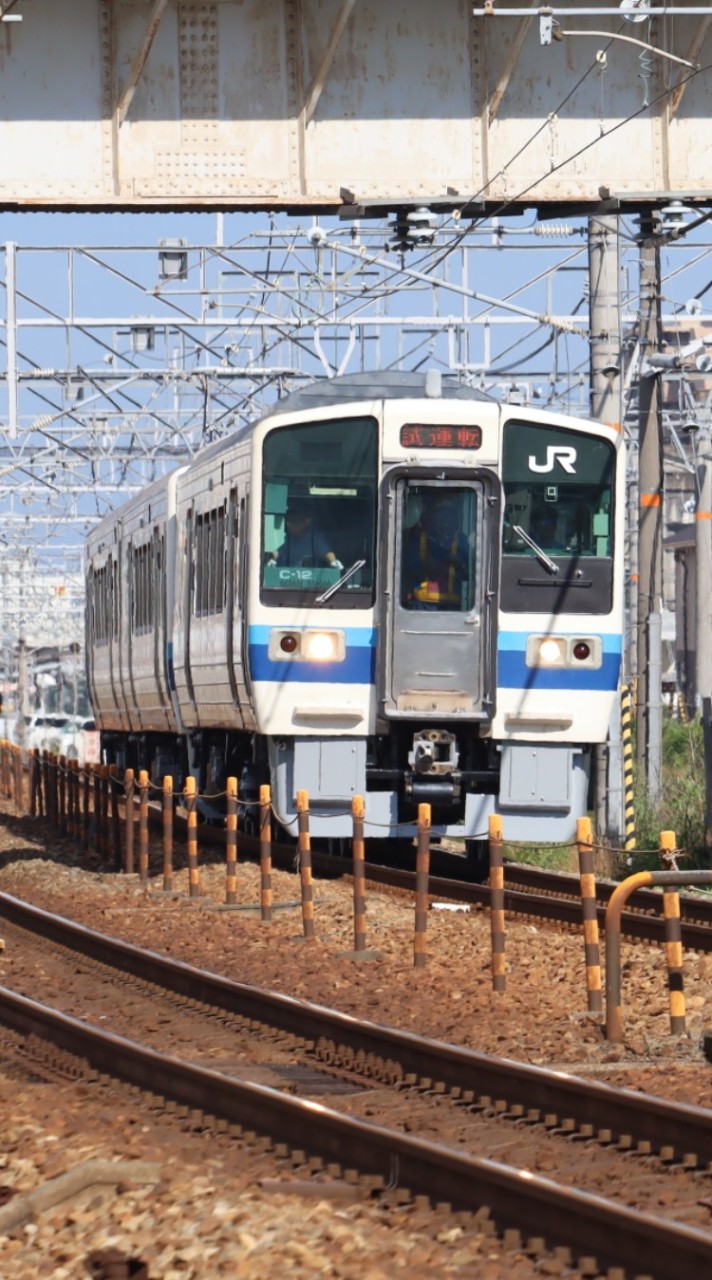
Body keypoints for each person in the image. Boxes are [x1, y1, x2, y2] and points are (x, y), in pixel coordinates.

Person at [404, 491, 469, 610]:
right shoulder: (420, 539)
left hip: (454, 605)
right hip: (424, 602)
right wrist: (426, 566)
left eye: (448, 514)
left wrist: (458, 563)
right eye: (440, 514)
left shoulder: (461, 540)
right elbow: (408, 568)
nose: (444, 519)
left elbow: (471, 572)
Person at [269, 497, 343, 570]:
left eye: (296, 520)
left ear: (306, 522)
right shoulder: (288, 540)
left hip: (313, 580)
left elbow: (327, 552)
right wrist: (271, 560)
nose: (292, 524)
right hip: (290, 579)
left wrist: (333, 562)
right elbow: (277, 552)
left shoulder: (314, 538)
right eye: (289, 521)